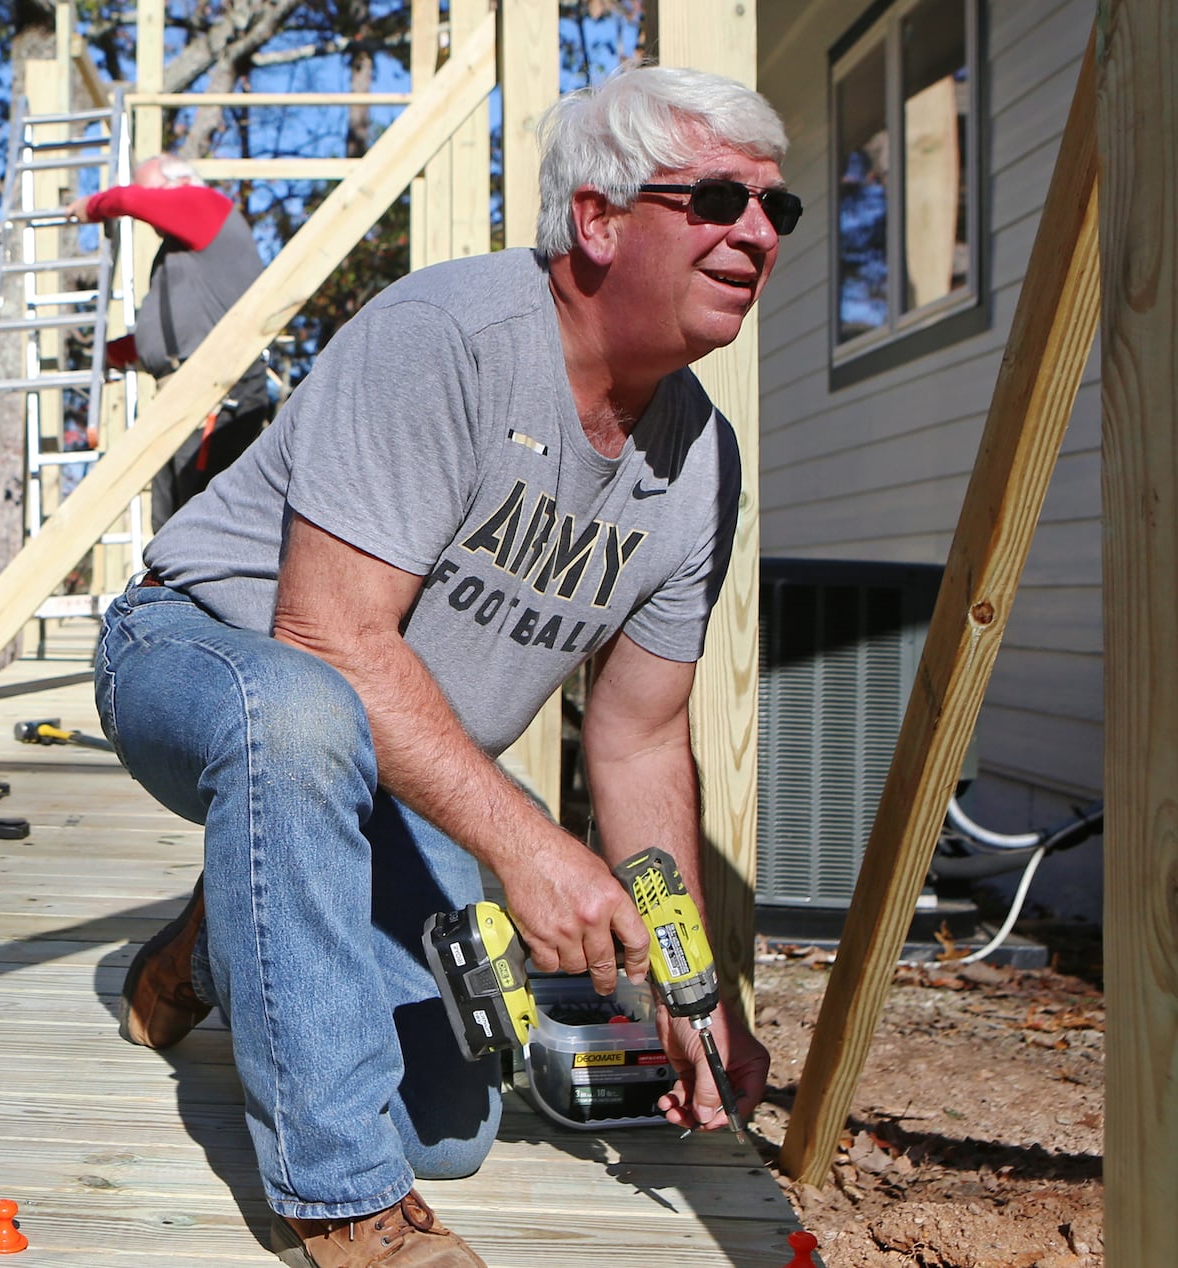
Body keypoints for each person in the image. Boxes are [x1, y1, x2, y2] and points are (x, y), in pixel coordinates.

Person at [93, 62, 800, 1268]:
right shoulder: (448, 337)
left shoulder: (701, 467)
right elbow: (327, 635)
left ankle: (222, 933)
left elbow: (635, 739)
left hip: (384, 759)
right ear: (596, 217)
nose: (754, 232)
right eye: (716, 200)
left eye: (774, 211)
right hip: (202, 652)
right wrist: (528, 846)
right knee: (298, 716)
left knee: (448, 1123)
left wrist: (691, 992)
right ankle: (340, 1206)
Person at [66, 154, 273, 530]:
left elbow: (129, 201)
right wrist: (116, 354)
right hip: (183, 392)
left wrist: (91, 207)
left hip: (216, 391)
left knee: (201, 524)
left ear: (176, 182)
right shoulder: (183, 249)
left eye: (152, 192)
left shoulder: (204, 205)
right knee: (169, 524)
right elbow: (172, 333)